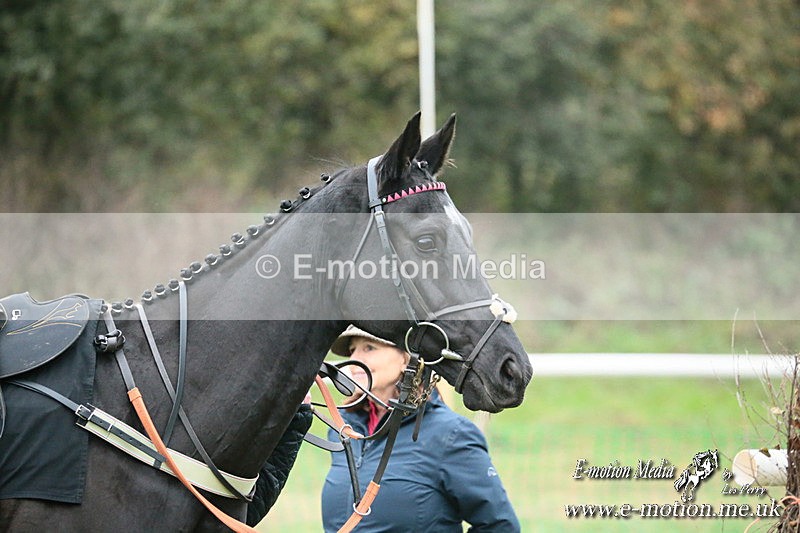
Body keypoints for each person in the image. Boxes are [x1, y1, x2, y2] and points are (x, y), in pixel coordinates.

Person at [321, 325, 521, 532]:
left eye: (369, 348)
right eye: (353, 350)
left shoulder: (451, 435)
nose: (355, 360)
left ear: (405, 359)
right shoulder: (345, 427)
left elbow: (500, 526)